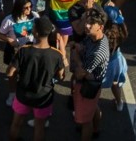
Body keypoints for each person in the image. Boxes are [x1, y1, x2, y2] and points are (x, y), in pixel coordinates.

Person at [7, 17, 65, 141]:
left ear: (36, 33)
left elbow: (10, 72)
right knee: (39, 127)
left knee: (16, 123)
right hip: (43, 97)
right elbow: (60, 76)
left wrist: (15, 85)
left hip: (23, 94)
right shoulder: (56, 55)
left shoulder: (24, 51)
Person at [70, 9, 111, 141]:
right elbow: (80, 47)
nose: (87, 26)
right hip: (92, 83)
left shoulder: (98, 52)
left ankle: (90, 131)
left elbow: (80, 73)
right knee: (93, 109)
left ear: (101, 27)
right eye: (87, 22)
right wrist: (77, 50)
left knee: (85, 121)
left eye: (91, 24)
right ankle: (96, 129)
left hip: (89, 87)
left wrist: (77, 59)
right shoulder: (94, 37)